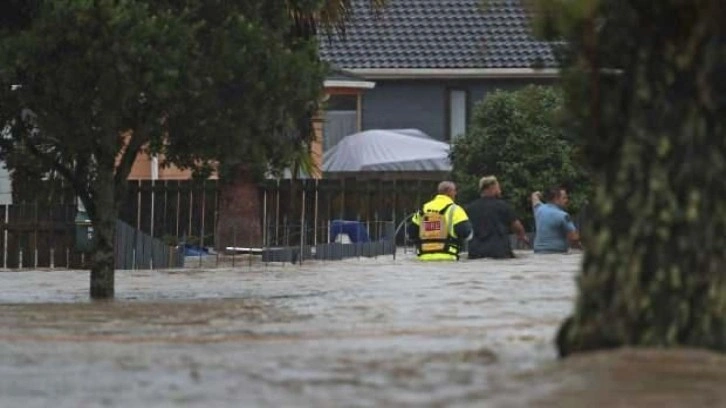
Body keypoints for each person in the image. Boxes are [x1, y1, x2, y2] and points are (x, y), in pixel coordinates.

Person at [465, 176, 529, 259]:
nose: (500, 191)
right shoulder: (503, 206)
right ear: (492, 188)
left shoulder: (469, 208)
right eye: (498, 188)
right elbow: (516, 226)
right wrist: (522, 236)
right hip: (499, 252)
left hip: (475, 253)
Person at [407, 181, 472, 261]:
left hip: (424, 257)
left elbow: (411, 232)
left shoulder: (424, 208)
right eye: (455, 190)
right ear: (449, 192)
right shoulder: (455, 210)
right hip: (448, 257)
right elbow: (465, 232)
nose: (455, 193)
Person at [531, 186, 581, 253]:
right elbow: (574, 238)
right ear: (556, 199)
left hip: (538, 251)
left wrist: (536, 194)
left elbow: (534, 198)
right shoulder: (563, 216)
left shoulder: (539, 210)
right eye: (564, 198)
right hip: (557, 254)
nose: (567, 200)